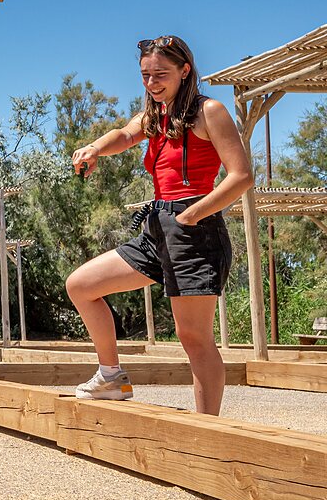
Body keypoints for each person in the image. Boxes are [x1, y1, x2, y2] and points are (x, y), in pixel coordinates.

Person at [67, 36, 253, 415]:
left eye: (160, 75)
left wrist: (190, 215)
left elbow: (241, 176)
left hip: (195, 229)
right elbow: (124, 134)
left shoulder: (210, 111)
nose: (152, 83)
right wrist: (95, 148)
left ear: (185, 71)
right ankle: (111, 378)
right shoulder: (155, 115)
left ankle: (205, 430)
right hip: (157, 227)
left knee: (193, 336)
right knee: (81, 286)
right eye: (145, 75)